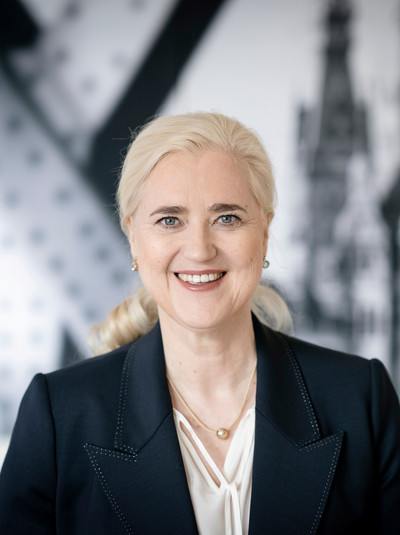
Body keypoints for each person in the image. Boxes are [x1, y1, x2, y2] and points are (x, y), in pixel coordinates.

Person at [0, 112, 399, 535]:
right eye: (169, 220)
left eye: (227, 218)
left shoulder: (362, 400)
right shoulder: (58, 415)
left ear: (264, 232)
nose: (199, 250)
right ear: (133, 236)